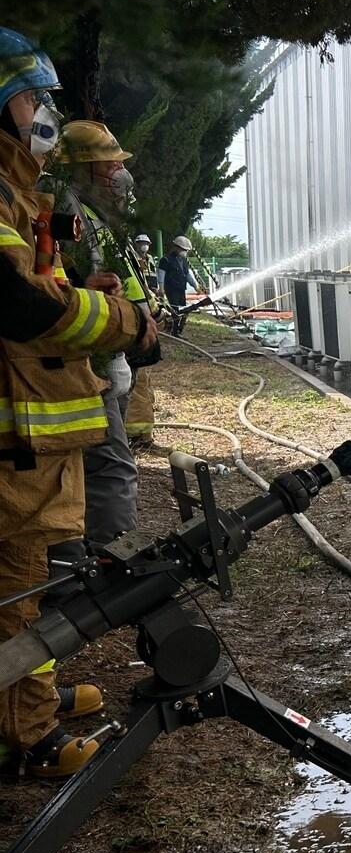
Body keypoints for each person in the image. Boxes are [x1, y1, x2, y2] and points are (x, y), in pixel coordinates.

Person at [0, 27, 155, 777]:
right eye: (33, 97)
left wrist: (78, 295)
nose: (43, 113)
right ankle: (26, 740)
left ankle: (31, 703)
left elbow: (38, 291)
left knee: (20, 588)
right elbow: (16, 306)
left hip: (26, 444)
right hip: (11, 445)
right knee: (12, 594)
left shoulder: (16, 193)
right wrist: (121, 321)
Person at [43, 120, 146, 549]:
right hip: (84, 362)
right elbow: (60, 292)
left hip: (101, 356)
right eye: (108, 167)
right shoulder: (66, 208)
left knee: (93, 467)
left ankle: (85, 557)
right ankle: (112, 564)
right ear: (81, 169)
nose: (116, 176)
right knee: (110, 467)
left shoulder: (90, 215)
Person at [126, 233, 158, 446]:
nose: (143, 247)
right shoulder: (126, 254)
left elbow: (145, 289)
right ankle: (138, 434)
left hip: (137, 326)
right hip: (136, 326)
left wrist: (156, 306)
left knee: (140, 385)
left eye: (146, 244)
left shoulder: (136, 257)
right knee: (139, 385)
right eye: (141, 244)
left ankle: (140, 434)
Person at [157, 235, 199, 335]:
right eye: (184, 249)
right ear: (176, 247)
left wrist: (196, 286)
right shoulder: (166, 260)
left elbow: (187, 275)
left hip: (181, 288)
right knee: (175, 310)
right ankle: (174, 331)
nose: (185, 252)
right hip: (171, 289)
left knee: (183, 310)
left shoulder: (184, 261)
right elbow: (161, 274)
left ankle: (179, 329)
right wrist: (161, 288)